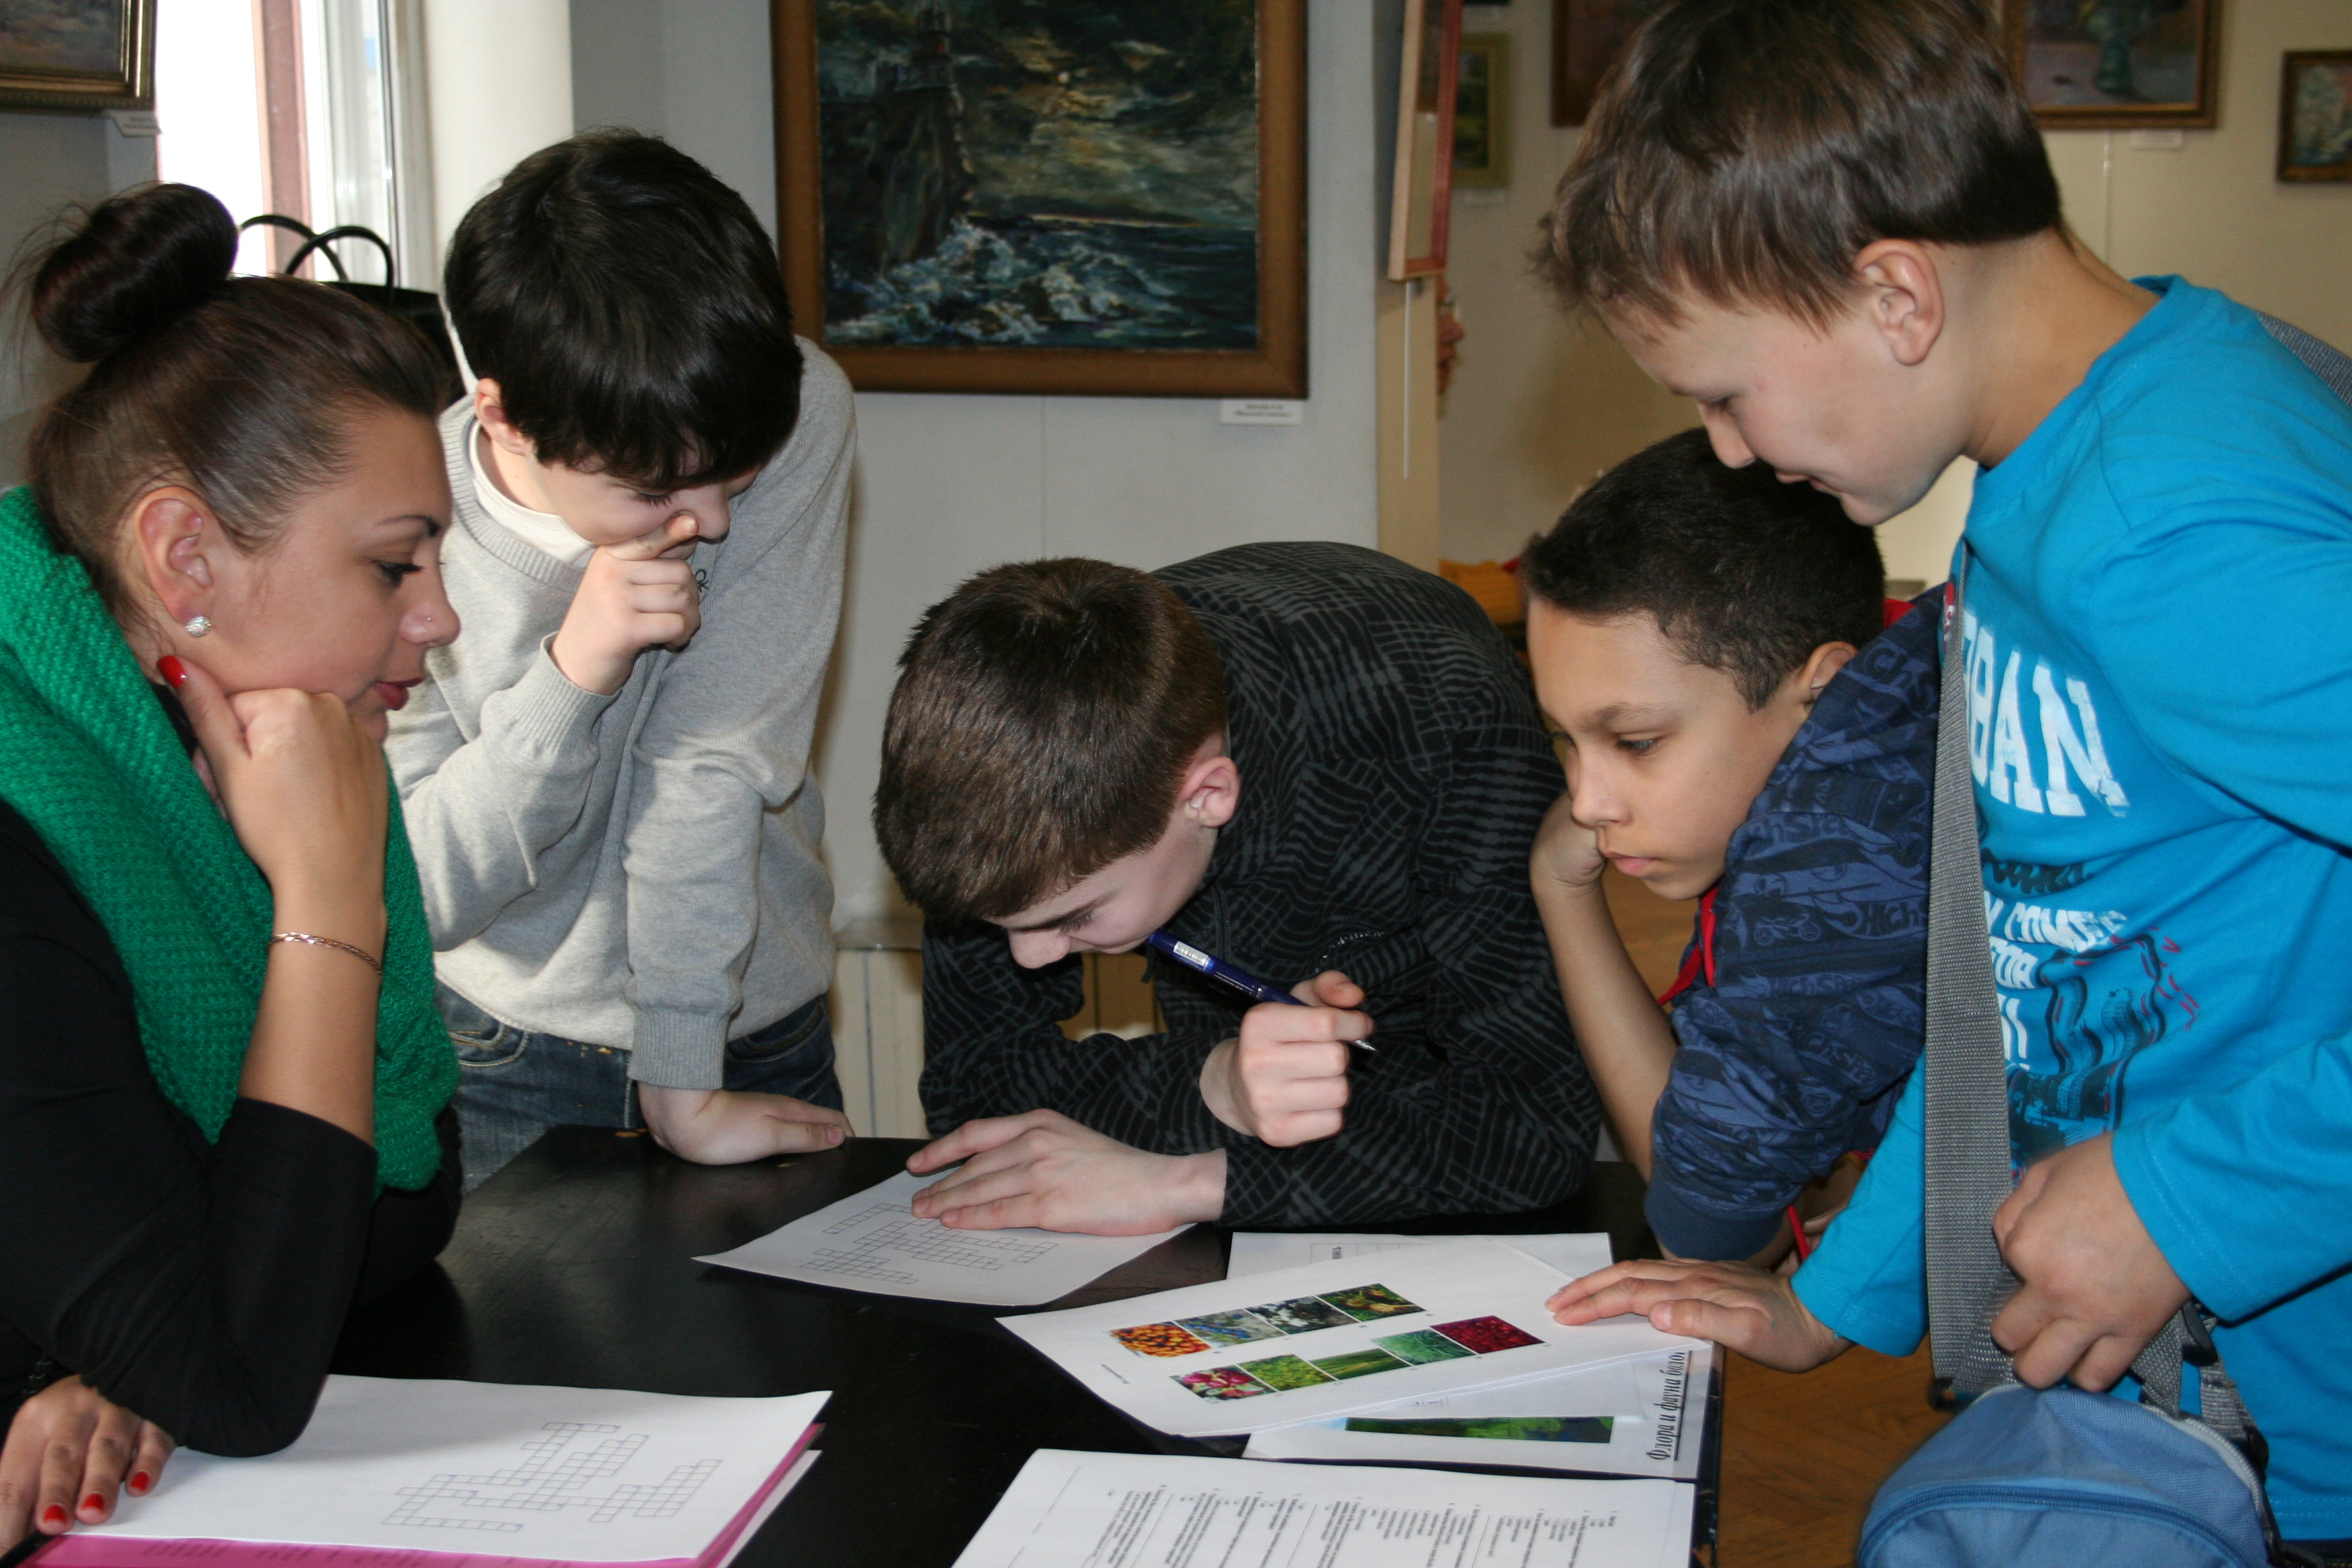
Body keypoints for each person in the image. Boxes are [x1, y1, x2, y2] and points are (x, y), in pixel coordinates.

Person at [1536, 0, 2352, 1543]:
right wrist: (1833, 1297)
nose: (1724, 450)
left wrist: (2185, 1199)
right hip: (2192, 1400)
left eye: (1724, 392)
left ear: (1895, 294)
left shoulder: (2171, 525)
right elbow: (2013, 987)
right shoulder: (2049, 481)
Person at [0, 185, 463, 1537]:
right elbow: (246, 1377)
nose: (439, 618)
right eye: (395, 565)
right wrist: (327, 905)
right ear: (183, 555)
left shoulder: (260, 757)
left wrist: (136, 1347)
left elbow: (408, 1202)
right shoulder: (26, 825)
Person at [875, 544, 1600, 1235]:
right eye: (998, 925)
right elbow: (973, 1094)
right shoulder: (1022, 751)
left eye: (1076, 915)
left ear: (1207, 795)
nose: (1030, 958)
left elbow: (1531, 1127)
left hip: (1428, 1038)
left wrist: (1186, 1184)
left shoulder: (1451, 725)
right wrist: (1211, 1083)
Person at [385, 132, 853, 1188]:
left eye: (737, 473)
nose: (712, 523)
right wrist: (573, 674)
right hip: (506, 1052)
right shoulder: (398, 518)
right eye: (657, 492)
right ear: (505, 417)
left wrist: (682, 1069)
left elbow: (710, 760)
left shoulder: (789, 403)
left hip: (748, 1025)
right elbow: (419, 893)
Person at [1521, 429, 1936, 1263]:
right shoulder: (1889, 722)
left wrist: (1560, 892)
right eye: (1566, 738)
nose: (1588, 802)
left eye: (1635, 741)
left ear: (1825, 691)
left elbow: (1716, 1239)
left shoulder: (1843, 860)